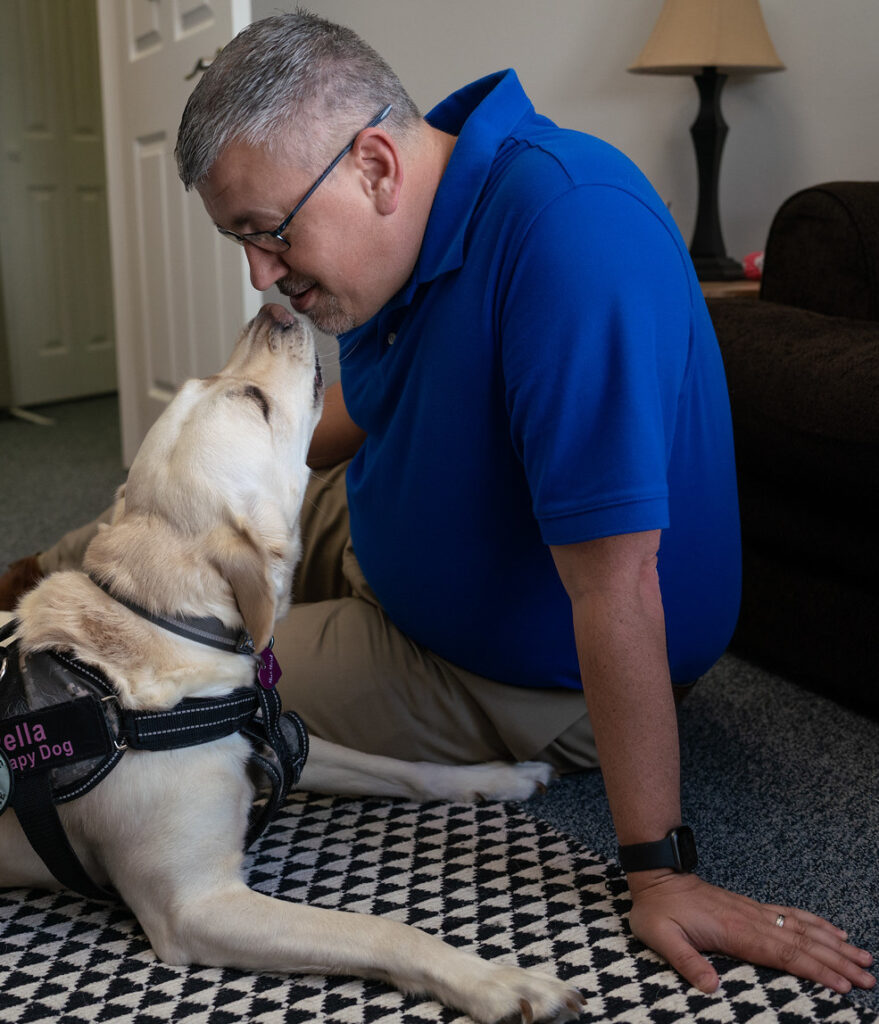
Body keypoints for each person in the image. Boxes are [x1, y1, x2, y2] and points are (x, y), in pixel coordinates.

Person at [2, 11, 873, 1000]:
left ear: (372, 163)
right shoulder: (413, 211)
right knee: (136, 543)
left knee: (159, 695)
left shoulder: (569, 237)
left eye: (265, 232)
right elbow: (365, 409)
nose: (259, 275)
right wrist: (241, 468)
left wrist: (660, 869)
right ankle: (31, 587)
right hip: (384, 517)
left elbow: (618, 584)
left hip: (502, 662)